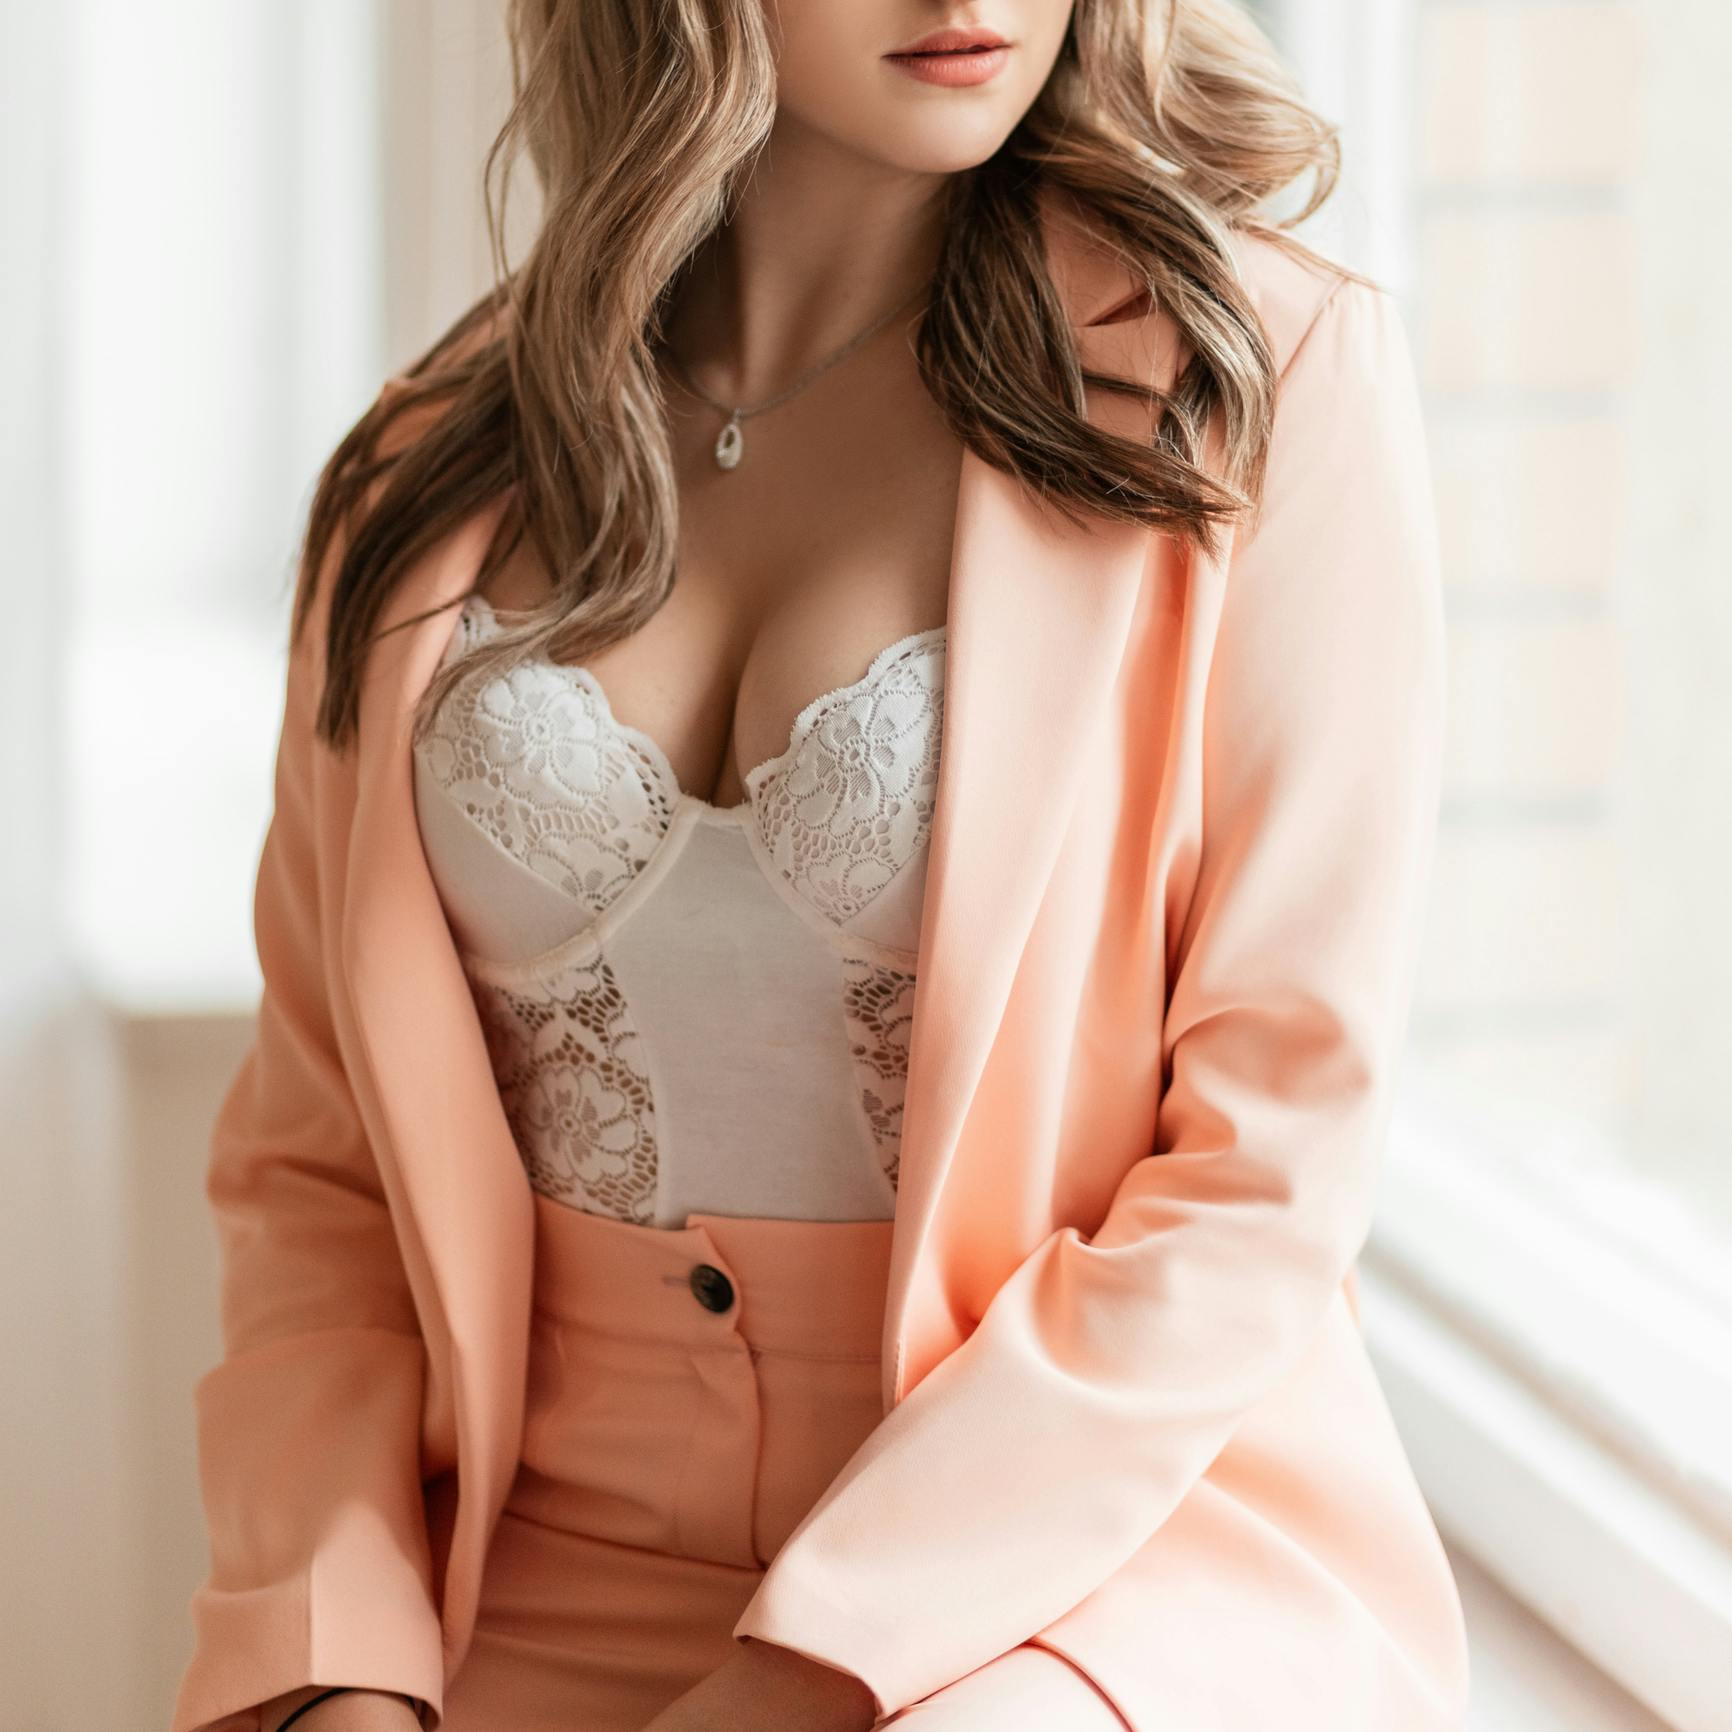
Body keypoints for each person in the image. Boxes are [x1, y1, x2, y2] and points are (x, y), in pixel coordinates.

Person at [171, 1, 1470, 1729]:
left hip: (1082, 1562)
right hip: (524, 1565)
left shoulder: (1259, 382)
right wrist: (341, 1664)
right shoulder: (429, 468)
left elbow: (1267, 1166)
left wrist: (798, 1678)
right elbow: (318, 1181)